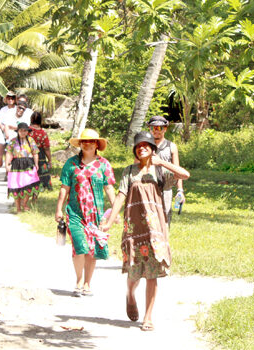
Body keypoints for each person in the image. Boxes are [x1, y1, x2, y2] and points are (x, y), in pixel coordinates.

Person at [101, 131, 190, 332]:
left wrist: (162, 163)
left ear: (152, 149)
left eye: (146, 145)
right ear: (135, 150)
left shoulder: (161, 173)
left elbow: (185, 175)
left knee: (152, 274)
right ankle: (130, 295)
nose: (142, 148)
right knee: (134, 274)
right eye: (139, 146)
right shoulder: (129, 171)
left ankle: (148, 317)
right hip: (134, 228)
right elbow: (121, 196)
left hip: (156, 228)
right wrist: (109, 220)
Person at [55, 129, 116, 297]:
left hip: (96, 215)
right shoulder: (71, 164)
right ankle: (79, 280)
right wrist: (59, 209)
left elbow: (109, 188)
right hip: (75, 212)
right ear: (80, 144)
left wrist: (115, 210)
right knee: (79, 246)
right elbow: (64, 189)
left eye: (91, 141)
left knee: (92, 249)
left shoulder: (104, 164)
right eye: (84, 141)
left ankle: (88, 283)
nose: (87, 144)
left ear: (97, 144)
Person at [148, 115, 184, 223]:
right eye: (154, 128)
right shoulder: (144, 146)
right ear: (149, 129)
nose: (157, 131)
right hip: (148, 189)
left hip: (166, 189)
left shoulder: (171, 146)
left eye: (160, 128)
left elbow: (177, 170)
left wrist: (180, 191)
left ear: (165, 129)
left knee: (164, 222)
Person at [5, 122, 40, 212]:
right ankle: (18, 208)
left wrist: (36, 164)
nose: (23, 132)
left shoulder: (31, 140)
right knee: (16, 186)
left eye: (25, 131)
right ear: (18, 131)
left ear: (28, 131)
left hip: (28, 164)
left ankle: (24, 204)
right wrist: (7, 165)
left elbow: (35, 153)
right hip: (16, 165)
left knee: (29, 184)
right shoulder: (13, 141)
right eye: (21, 130)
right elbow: (8, 153)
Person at [30, 111, 52, 192]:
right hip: (41, 155)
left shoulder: (27, 131)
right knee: (40, 173)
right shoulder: (43, 133)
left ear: (31, 119)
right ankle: (41, 187)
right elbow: (46, 148)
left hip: (28, 154)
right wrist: (49, 160)